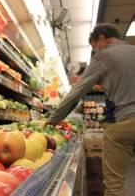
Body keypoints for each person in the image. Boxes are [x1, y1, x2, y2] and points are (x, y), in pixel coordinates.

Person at [46, 23, 135, 196]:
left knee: (114, 186)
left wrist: (53, 119)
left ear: (101, 37)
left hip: (124, 122)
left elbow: (77, 91)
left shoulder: (105, 56)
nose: (95, 52)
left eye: (95, 47)